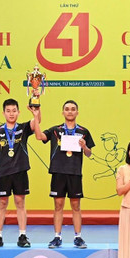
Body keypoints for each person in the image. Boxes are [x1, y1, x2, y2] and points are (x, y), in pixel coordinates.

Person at [32, 100, 95, 249]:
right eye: (67, 109)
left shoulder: (84, 131)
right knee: (58, 205)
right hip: (58, 172)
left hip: (74, 173)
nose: (70, 111)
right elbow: (39, 136)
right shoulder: (55, 130)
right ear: (63, 112)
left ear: (77, 112)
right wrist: (35, 116)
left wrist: (85, 146)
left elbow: (89, 154)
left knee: (76, 206)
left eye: (73, 109)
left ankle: (78, 237)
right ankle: (57, 237)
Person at [0, 98, 39, 248]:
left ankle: (22, 235)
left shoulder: (23, 128)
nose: (11, 113)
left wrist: (36, 112)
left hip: (20, 171)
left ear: (18, 112)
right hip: (3, 173)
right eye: (8, 111)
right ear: (3, 113)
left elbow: (36, 123)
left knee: (20, 203)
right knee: (2, 203)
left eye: (14, 110)